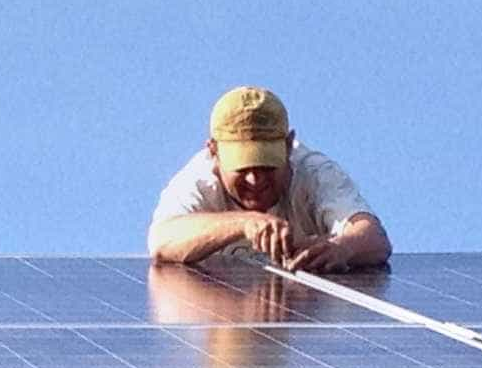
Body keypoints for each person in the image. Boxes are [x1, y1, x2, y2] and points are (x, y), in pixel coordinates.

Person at [148, 86, 391, 273]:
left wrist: (344, 248)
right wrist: (244, 222)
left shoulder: (314, 172)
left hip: (302, 327)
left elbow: (374, 238)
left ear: (288, 146)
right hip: (223, 324)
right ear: (214, 151)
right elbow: (162, 239)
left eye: (267, 166)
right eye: (242, 168)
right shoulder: (198, 180)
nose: (255, 180)